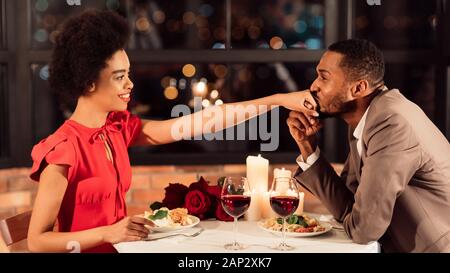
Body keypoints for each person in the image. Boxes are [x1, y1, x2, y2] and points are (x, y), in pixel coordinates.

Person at [27, 10, 317, 253]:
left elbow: (206, 121)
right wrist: (107, 233)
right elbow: (37, 241)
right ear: (89, 81)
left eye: (128, 73)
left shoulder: (116, 128)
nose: (130, 84)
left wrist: (276, 100)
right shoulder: (63, 149)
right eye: (119, 77)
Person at [287, 39, 450, 252]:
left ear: (358, 88)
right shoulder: (370, 117)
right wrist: (307, 147)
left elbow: (364, 230)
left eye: (324, 77)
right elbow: (349, 205)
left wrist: (353, 219)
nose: (313, 86)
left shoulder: (390, 123)